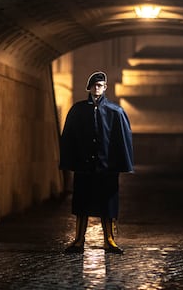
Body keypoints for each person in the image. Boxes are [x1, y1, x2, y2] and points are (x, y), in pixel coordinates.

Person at [59, 71, 134, 254]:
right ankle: (78, 240)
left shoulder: (115, 112)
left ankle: (109, 240)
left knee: (107, 204)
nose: (97, 88)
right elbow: (69, 138)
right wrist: (71, 161)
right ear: (89, 88)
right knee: (82, 204)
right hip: (85, 167)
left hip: (106, 168)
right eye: (94, 85)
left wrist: (119, 163)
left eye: (100, 85)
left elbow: (122, 140)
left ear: (105, 87)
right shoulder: (78, 110)